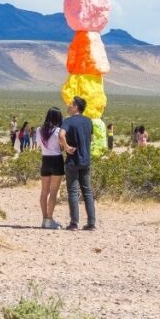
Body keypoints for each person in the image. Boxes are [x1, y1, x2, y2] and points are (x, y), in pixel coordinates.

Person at [60, 96, 96, 231]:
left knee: (73, 192)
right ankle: (91, 223)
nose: (68, 106)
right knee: (87, 191)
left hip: (73, 160)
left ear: (75, 107)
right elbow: (90, 137)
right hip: (86, 160)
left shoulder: (67, 121)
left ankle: (74, 223)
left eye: (70, 104)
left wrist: (67, 147)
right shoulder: (88, 121)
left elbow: (61, 135)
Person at [38, 107, 66, 229]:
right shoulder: (59, 131)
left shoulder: (39, 130)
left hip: (45, 160)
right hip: (56, 160)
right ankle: (50, 218)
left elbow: (39, 144)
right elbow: (62, 145)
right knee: (54, 191)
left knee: (44, 191)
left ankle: (44, 219)